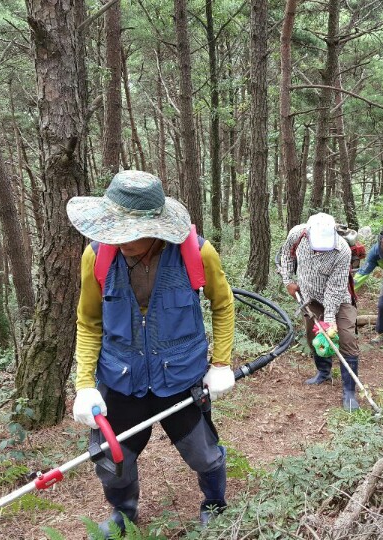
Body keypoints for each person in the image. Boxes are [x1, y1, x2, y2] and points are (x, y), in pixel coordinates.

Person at [66, 170, 236, 534]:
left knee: (203, 453)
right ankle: (123, 514)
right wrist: (84, 384)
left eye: (128, 231)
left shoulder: (197, 252)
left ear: (156, 227)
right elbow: (88, 322)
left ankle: (215, 503)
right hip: (120, 379)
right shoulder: (95, 257)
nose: (118, 239)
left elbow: (223, 305)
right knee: (113, 460)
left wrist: (221, 363)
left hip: (180, 379)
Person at [276, 213, 361, 411]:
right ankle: (323, 373)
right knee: (313, 335)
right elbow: (287, 255)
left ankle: (349, 391)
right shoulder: (297, 235)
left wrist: (329, 319)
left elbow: (336, 288)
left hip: (339, 300)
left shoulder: (342, 250)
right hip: (309, 297)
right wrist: (288, 281)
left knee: (346, 337)